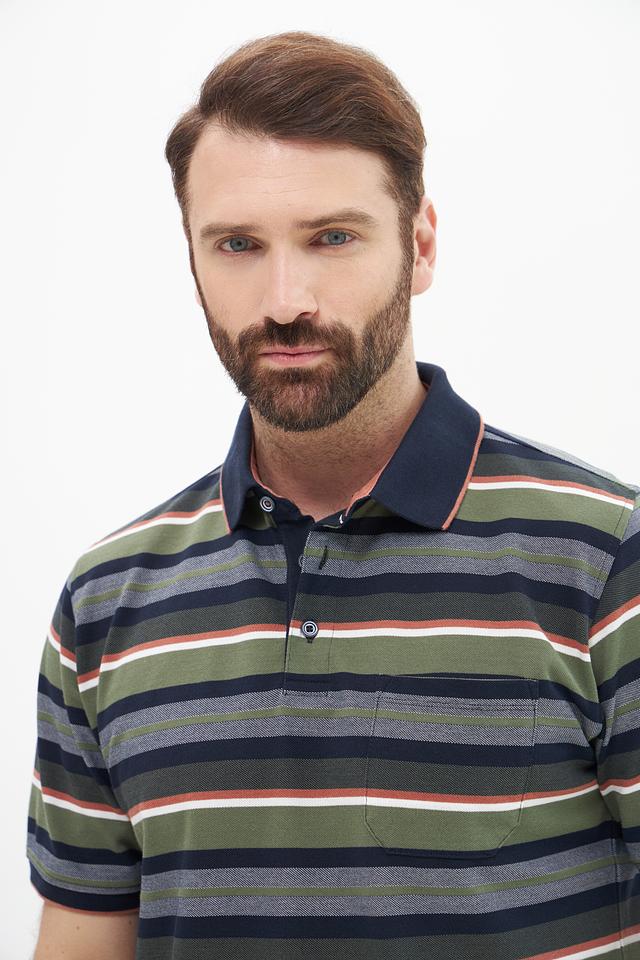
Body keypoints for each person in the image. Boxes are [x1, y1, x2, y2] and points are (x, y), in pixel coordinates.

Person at [26, 29, 640, 960]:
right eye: (238, 244)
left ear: (419, 245)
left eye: (333, 238)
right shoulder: (106, 601)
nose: (285, 298)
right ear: (192, 261)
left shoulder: (606, 559)